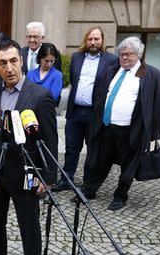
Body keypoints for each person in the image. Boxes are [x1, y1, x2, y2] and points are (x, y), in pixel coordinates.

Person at [0, 40, 58, 255]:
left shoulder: (39, 95)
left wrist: (47, 177)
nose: (9, 68)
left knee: (29, 225)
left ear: (22, 61)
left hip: (25, 171)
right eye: (3, 63)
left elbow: (50, 140)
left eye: (13, 61)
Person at [83, 36, 160, 211]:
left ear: (139, 55)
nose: (125, 58)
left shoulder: (151, 75)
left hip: (131, 131)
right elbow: (100, 96)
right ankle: (89, 190)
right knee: (99, 161)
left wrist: (154, 134)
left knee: (128, 166)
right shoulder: (112, 70)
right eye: (122, 54)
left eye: (129, 54)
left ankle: (120, 196)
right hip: (107, 128)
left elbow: (157, 107)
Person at [52, 26, 118, 192]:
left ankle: (89, 182)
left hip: (95, 113)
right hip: (75, 112)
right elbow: (74, 81)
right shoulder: (76, 57)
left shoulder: (111, 60)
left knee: (93, 149)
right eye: (90, 39)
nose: (93, 42)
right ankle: (66, 179)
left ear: (102, 41)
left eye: (97, 39)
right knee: (71, 148)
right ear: (85, 40)